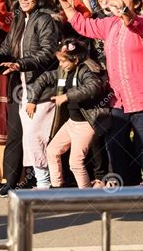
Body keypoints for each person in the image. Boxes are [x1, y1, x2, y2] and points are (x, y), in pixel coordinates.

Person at [59, 0, 143, 186]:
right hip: (118, 99)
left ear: (135, 3)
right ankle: (129, 190)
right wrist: (66, 4)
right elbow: (84, 25)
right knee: (116, 145)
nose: (117, 0)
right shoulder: (109, 24)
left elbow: (133, 23)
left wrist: (123, 9)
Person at [0, 0, 59, 197]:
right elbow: (5, 50)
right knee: (15, 134)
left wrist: (20, 64)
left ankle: (44, 181)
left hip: (39, 88)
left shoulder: (45, 19)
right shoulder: (18, 20)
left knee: (35, 136)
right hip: (18, 87)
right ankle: (11, 181)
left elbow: (48, 53)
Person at [27, 38, 110, 188]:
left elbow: (93, 87)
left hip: (86, 124)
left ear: (75, 59)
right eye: (59, 61)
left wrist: (66, 96)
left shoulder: (87, 70)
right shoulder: (63, 72)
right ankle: (57, 187)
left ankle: (86, 196)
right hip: (72, 123)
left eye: (63, 61)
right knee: (52, 151)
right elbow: (43, 78)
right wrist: (32, 100)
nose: (60, 65)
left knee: (75, 163)